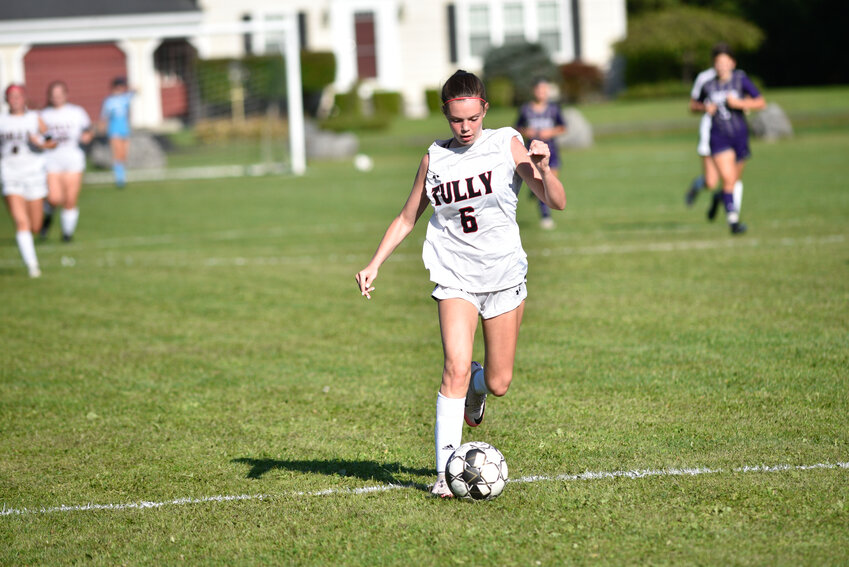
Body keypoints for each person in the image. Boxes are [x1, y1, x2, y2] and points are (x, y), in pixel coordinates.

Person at [354, 70, 566, 498]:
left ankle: (478, 384)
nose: (465, 128)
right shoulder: (434, 158)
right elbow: (407, 216)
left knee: (500, 381)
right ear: (445, 115)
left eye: (471, 118)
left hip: (504, 275)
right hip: (454, 275)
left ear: (484, 109)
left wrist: (544, 169)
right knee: (453, 365)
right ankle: (445, 472)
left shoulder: (506, 143)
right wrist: (374, 262)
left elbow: (555, 200)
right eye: (456, 120)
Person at [692, 43, 765, 235]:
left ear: (732, 63)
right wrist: (704, 108)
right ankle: (733, 222)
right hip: (718, 138)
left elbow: (760, 101)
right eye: (718, 62)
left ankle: (720, 198)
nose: (722, 66)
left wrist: (740, 103)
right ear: (714, 65)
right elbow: (694, 104)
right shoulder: (708, 84)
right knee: (728, 179)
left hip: (740, 136)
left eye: (725, 62)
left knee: (732, 180)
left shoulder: (741, 80)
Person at [0, 84, 55, 277]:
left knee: (35, 226)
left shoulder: (34, 118)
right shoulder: (2, 121)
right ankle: (32, 265)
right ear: (6, 99)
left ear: (24, 98)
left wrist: (40, 143)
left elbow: (52, 141)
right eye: (11, 96)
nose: (15, 100)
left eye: (18, 96)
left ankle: (48, 212)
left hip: (34, 174)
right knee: (21, 222)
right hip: (10, 175)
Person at [40, 81, 93, 242]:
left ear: (66, 95)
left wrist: (87, 136)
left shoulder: (76, 112)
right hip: (51, 160)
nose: (56, 98)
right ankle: (47, 218)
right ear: (49, 96)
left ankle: (67, 235)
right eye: (53, 95)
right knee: (54, 198)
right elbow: (40, 135)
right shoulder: (44, 115)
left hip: (72, 160)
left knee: (70, 199)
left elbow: (88, 129)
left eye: (60, 94)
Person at [515, 77, 567, 229]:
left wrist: (550, 132)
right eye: (539, 89)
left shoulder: (554, 109)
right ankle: (545, 216)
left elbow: (563, 127)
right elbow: (517, 127)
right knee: (544, 184)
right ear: (534, 91)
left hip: (552, 151)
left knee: (551, 181)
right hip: (533, 154)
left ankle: (534, 192)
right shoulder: (526, 109)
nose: (542, 93)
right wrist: (527, 131)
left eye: (544, 89)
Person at [99, 77, 134, 188]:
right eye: (118, 86)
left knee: (124, 155)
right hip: (114, 130)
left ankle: (121, 175)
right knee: (117, 154)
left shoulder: (125, 98)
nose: (120, 89)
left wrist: (128, 85)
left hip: (125, 129)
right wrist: (102, 128)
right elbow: (104, 116)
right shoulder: (109, 101)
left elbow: (136, 90)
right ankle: (120, 179)